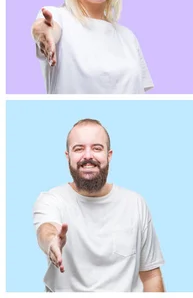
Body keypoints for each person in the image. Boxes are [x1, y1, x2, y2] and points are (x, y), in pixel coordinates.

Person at [33, 119, 165, 292]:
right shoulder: (51, 199)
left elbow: (151, 276)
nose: (88, 156)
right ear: (68, 156)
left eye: (96, 148)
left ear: (109, 155)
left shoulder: (135, 203)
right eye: (79, 149)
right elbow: (46, 230)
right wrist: (51, 242)